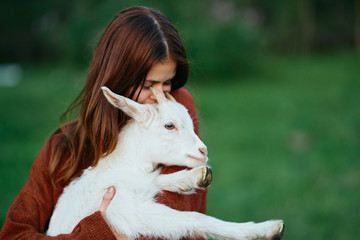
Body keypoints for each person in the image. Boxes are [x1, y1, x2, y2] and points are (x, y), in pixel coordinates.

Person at [0, 6, 207, 240]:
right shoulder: (64, 148)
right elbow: (13, 235)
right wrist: (98, 232)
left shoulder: (176, 111)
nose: (160, 96)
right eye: (148, 85)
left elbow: (170, 215)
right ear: (118, 76)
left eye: (167, 82)